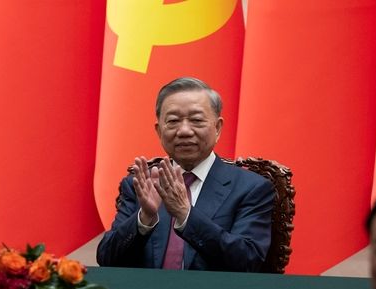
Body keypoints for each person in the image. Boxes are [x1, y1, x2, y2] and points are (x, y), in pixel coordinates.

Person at [96, 77, 274, 271]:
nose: (184, 131)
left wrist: (185, 214)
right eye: (173, 121)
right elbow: (107, 259)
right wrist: (144, 218)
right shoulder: (139, 185)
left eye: (196, 120)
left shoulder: (251, 188)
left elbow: (248, 261)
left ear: (217, 128)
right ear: (159, 130)